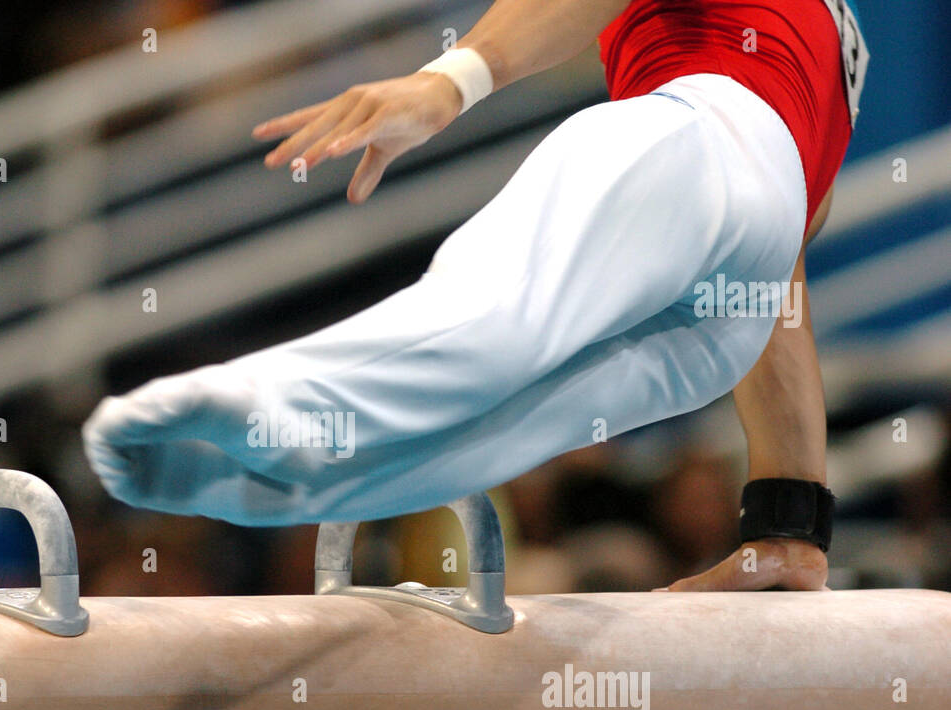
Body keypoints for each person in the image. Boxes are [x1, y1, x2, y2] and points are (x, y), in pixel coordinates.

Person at [84, 0, 869, 593]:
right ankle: (272, 480)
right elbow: (778, 267)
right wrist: (789, 526)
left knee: (494, 316)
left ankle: (278, 411)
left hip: (702, 136)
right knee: (486, 427)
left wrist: (449, 81)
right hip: (740, 292)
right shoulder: (835, 44)